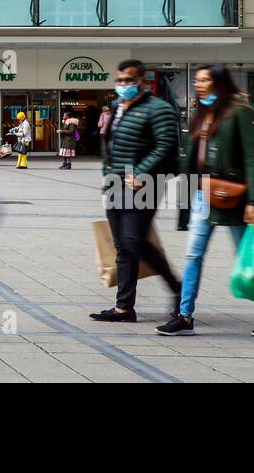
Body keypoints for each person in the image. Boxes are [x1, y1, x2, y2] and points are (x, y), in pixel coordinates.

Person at [156, 65, 254, 338]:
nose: (200, 84)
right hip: (202, 193)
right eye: (198, 80)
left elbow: (252, 158)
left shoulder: (240, 112)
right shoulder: (202, 114)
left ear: (220, 83)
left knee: (248, 257)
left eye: (206, 80)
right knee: (193, 254)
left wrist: (253, 200)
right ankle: (185, 316)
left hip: (233, 196)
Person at [90, 59, 181, 323]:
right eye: (119, 80)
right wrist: (108, 176)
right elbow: (112, 145)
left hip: (147, 183)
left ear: (141, 81)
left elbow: (166, 145)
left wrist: (142, 172)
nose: (123, 85)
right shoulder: (118, 107)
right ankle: (124, 307)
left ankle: (178, 289)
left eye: (128, 80)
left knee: (134, 240)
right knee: (122, 246)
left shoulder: (158, 109)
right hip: (117, 183)